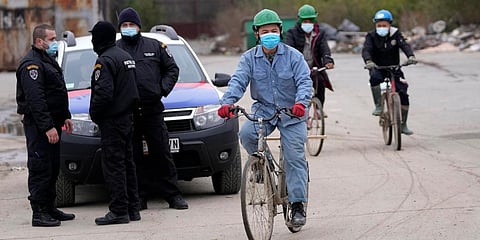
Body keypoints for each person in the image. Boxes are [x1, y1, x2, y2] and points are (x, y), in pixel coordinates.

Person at [217, 9, 312, 227]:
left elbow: (305, 83)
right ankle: (263, 165)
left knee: (294, 157)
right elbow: (238, 81)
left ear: (280, 31)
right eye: (264, 31)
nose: (269, 34)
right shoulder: (249, 58)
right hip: (264, 111)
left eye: (273, 30)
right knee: (247, 133)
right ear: (257, 34)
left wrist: (300, 103)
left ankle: (297, 204)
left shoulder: (294, 57)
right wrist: (227, 103)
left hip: (292, 112)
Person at [116, 7, 188, 210]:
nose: (128, 28)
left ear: (139, 26)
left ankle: (173, 195)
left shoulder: (155, 46)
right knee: (134, 155)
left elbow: (172, 69)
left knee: (162, 152)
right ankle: (139, 196)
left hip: (152, 108)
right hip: (128, 111)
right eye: (124, 25)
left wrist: (162, 89)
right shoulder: (116, 50)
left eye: (131, 24)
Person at [16, 24, 75, 227]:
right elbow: (36, 100)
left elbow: (56, 91)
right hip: (39, 126)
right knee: (40, 167)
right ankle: (39, 212)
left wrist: (64, 116)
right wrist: (47, 126)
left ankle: (49, 207)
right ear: (39, 41)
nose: (55, 42)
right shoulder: (31, 64)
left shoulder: (46, 59)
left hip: (53, 123)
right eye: (51, 39)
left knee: (52, 167)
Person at [89, 21, 141, 225]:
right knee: (128, 163)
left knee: (114, 166)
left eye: (95, 37)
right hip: (127, 118)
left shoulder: (105, 60)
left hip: (113, 120)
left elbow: (103, 94)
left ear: (100, 39)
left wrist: (95, 113)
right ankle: (132, 208)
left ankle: (119, 210)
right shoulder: (125, 56)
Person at [362, 9, 417, 135]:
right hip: (378, 67)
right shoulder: (371, 36)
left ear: (389, 25)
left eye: (384, 25)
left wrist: (411, 56)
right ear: (375, 25)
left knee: (403, 91)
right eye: (379, 25)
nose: (381, 28)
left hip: (394, 67)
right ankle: (378, 106)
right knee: (374, 78)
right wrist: (368, 61)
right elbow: (366, 50)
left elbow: (405, 46)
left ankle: (403, 124)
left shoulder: (396, 34)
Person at [285, 4, 334, 108]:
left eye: (310, 21)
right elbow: (289, 50)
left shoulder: (319, 33)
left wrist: (328, 61)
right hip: (297, 69)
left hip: (315, 67)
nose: (308, 24)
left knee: (320, 83)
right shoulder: (292, 33)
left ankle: (319, 108)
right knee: (295, 89)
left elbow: (324, 48)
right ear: (300, 20)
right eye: (305, 21)